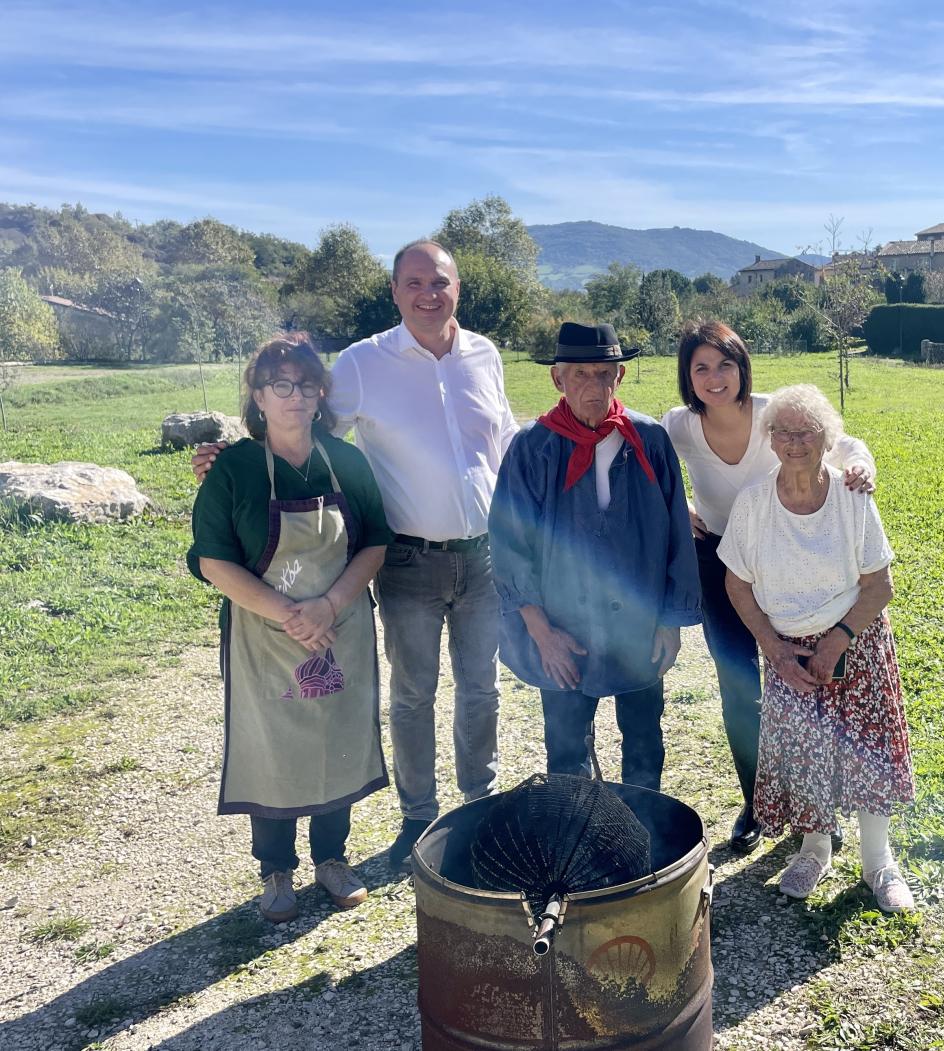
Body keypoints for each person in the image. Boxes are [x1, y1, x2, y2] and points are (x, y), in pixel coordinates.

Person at [193, 241, 519, 874]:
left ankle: (479, 805)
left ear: (459, 288)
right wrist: (232, 455)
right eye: (415, 282)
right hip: (407, 559)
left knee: (482, 689)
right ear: (395, 291)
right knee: (413, 692)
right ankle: (419, 817)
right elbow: (301, 425)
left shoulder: (486, 354)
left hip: (485, 557)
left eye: (441, 282)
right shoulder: (365, 362)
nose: (430, 293)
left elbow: (503, 441)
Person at [188, 334, 393, 923]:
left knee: (337, 735)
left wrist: (328, 605)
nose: (294, 395)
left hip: (341, 624)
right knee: (271, 744)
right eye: (280, 384)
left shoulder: (346, 461)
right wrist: (289, 615)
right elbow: (213, 560)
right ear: (258, 395)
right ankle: (275, 869)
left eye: (306, 383)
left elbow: (376, 540)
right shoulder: (234, 468)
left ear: (321, 392)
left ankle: (332, 858)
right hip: (262, 634)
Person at [662, 321, 876, 854]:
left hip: (789, 563)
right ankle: (757, 803)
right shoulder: (680, 427)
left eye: (725, 364)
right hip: (720, 565)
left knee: (805, 683)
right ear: (688, 376)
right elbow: (648, 465)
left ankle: (814, 811)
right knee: (741, 688)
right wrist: (678, 507)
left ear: (742, 366)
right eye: (701, 367)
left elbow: (844, 440)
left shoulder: (771, 412)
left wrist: (860, 466)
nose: (715, 378)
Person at [718, 383, 915, 912]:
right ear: (770, 439)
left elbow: (880, 585)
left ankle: (879, 861)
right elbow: (736, 585)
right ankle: (813, 850)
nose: (793, 442)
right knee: (805, 757)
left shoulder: (852, 497)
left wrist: (836, 641)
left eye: (805, 432)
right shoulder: (755, 503)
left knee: (868, 752)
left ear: (827, 438)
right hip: (788, 652)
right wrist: (776, 651)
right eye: (781, 432)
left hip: (856, 636)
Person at [489, 322, 701, 790]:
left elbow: (674, 535)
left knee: (644, 737)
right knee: (566, 747)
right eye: (580, 374)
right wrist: (541, 633)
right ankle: (573, 840)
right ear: (557, 380)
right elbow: (508, 545)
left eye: (603, 374)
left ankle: (644, 835)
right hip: (564, 629)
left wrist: (668, 622)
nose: (593, 386)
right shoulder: (533, 447)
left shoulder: (648, 440)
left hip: (638, 625)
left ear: (619, 378)